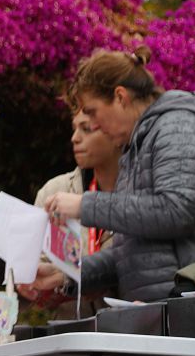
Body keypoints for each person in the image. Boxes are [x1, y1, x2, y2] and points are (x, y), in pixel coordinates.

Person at [44, 47, 195, 302]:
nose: (94, 125)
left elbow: (179, 210)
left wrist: (84, 205)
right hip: (164, 313)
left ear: (120, 97)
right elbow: (132, 252)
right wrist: (67, 274)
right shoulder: (137, 147)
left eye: (91, 112)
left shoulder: (179, 125)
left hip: (189, 314)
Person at [18, 110, 120, 316]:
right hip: (70, 334)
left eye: (86, 129)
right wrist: (36, 286)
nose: (74, 138)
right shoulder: (54, 191)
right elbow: (38, 269)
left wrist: (69, 276)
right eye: (74, 129)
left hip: (128, 331)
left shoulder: (141, 195)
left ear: (116, 133)